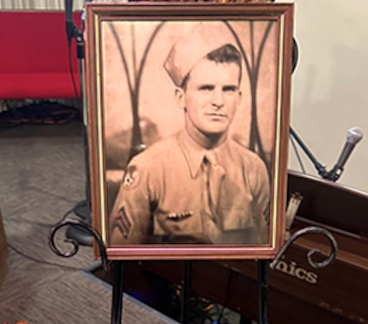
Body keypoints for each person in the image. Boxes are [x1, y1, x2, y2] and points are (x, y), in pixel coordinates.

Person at [109, 23, 271, 245]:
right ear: (181, 97)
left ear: (239, 98)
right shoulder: (148, 169)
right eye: (205, 88)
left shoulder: (253, 169)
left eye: (228, 89)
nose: (218, 101)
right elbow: (123, 251)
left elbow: (264, 248)